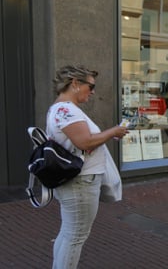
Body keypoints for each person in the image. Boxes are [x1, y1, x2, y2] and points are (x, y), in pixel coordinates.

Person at [46, 65, 129, 268]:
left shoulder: (62, 108)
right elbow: (85, 142)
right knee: (75, 236)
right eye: (90, 86)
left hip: (77, 181)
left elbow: (86, 141)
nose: (93, 92)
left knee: (69, 233)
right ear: (75, 83)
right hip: (80, 182)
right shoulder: (66, 110)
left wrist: (109, 134)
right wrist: (113, 132)